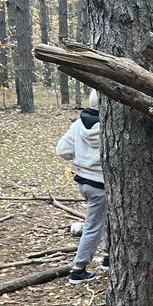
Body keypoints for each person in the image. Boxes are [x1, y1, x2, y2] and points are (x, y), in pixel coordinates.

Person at [55, 89, 108, 285]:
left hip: (85, 184)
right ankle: (78, 269)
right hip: (101, 186)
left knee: (109, 219)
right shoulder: (113, 126)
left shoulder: (78, 124)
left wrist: (81, 156)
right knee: (94, 226)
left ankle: (109, 258)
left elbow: (62, 150)